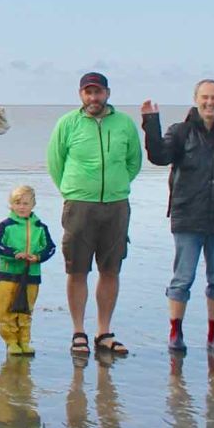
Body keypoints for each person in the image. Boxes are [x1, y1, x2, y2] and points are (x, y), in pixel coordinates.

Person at [142, 80, 214, 356]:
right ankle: (175, 334)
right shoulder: (180, 132)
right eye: (205, 97)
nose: (209, 102)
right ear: (195, 99)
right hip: (188, 217)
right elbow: (158, 156)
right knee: (182, 279)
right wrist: (150, 123)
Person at [47, 71, 142, 357]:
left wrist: (116, 185)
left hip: (116, 205)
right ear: (80, 95)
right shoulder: (67, 124)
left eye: (97, 92)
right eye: (88, 92)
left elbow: (133, 162)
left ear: (107, 94)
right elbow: (55, 162)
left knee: (110, 269)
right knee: (77, 270)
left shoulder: (124, 123)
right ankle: (78, 332)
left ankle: (104, 332)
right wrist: (73, 189)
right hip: (79, 205)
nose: (93, 98)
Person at [0, 185, 56, 356]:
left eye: (26, 203)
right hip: (8, 275)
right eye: (17, 203)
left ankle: (24, 341)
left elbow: (50, 247)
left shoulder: (40, 227)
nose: (21, 207)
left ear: (33, 204)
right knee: (4, 309)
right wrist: (14, 254)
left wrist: (38, 257)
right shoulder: (6, 225)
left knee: (25, 310)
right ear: (11, 205)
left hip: (31, 275)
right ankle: (11, 341)